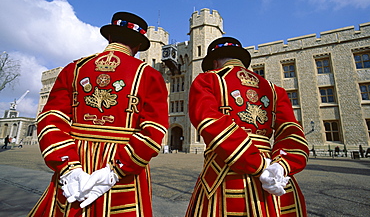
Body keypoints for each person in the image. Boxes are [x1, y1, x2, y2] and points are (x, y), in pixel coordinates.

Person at [28, 12, 169, 216]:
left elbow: (51, 120)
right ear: (138, 47)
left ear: (109, 38)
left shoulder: (74, 69)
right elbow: (153, 131)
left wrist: (69, 167)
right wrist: (115, 170)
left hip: (75, 157)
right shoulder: (149, 75)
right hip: (123, 170)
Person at [185, 37, 309, 217]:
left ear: (214, 62)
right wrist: (281, 166)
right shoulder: (274, 90)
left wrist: (257, 163)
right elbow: (292, 132)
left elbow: (210, 123)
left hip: (226, 172)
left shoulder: (208, 79)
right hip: (273, 175)